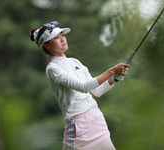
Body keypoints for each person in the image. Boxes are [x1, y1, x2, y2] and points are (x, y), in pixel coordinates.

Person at [29, 21, 130, 150]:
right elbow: (83, 87)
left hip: (96, 120)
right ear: (47, 45)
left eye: (62, 36)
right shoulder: (53, 68)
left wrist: (113, 78)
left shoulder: (74, 62)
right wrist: (111, 71)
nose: (62, 40)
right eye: (56, 38)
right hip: (78, 126)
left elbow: (97, 91)